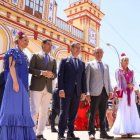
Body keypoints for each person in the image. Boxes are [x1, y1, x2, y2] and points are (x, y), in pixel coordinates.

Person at [0, 31, 36, 140]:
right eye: (25, 40)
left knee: (22, 110)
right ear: (19, 40)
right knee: (13, 109)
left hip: (23, 85)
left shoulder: (25, 56)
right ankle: (10, 136)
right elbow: (11, 67)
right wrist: (15, 82)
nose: (27, 42)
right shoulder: (13, 51)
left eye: (28, 41)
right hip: (14, 82)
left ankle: (20, 135)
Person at [58, 42, 86, 140]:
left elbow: (83, 79)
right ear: (71, 48)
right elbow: (60, 75)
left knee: (73, 114)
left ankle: (70, 133)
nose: (79, 49)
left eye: (80, 48)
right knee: (64, 113)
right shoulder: (64, 61)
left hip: (77, 92)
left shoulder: (82, 63)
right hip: (65, 91)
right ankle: (61, 134)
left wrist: (84, 92)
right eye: (77, 48)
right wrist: (60, 89)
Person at [29, 39, 57, 140]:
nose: (50, 46)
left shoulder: (53, 59)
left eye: (51, 45)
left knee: (44, 112)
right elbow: (30, 69)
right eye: (48, 44)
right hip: (36, 87)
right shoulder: (35, 55)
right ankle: (31, 133)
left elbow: (55, 74)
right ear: (43, 45)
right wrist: (42, 72)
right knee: (35, 110)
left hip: (48, 89)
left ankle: (39, 134)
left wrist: (52, 75)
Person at [86, 47, 114, 140]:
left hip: (105, 92)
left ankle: (103, 132)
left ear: (103, 54)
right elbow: (87, 80)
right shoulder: (90, 64)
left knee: (103, 114)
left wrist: (110, 91)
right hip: (94, 93)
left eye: (100, 52)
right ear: (94, 54)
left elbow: (108, 80)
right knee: (93, 113)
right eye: (97, 52)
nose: (99, 54)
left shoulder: (106, 65)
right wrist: (87, 93)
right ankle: (91, 133)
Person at [110, 53, 140, 138]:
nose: (127, 62)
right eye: (125, 60)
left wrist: (133, 86)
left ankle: (130, 131)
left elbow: (134, 82)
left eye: (128, 60)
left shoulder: (132, 72)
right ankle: (123, 131)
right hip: (123, 94)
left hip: (131, 94)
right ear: (121, 62)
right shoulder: (118, 71)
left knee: (131, 111)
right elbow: (118, 82)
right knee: (123, 111)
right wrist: (126, 86)